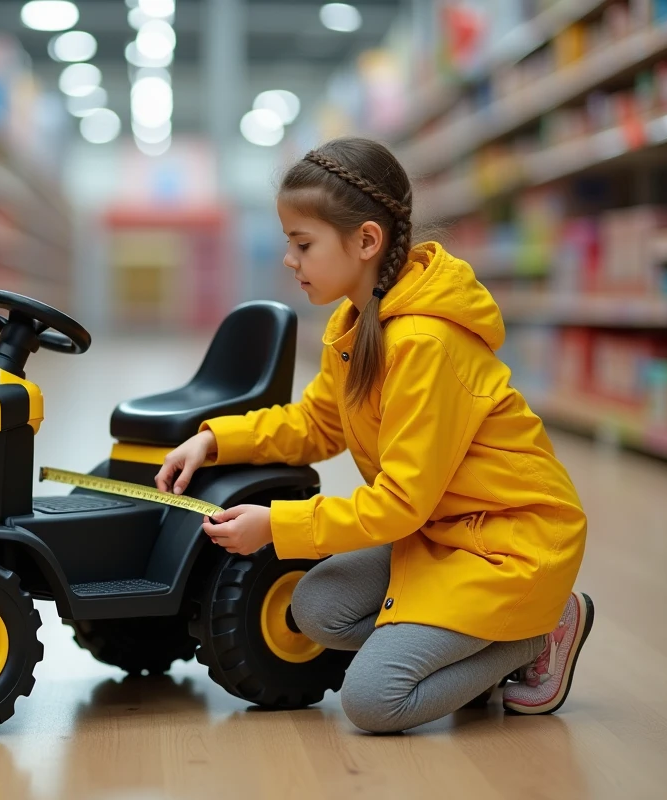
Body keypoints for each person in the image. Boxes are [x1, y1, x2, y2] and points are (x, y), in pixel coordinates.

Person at [155, 137, 593, 734]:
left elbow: (399, 503)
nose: (289, 259)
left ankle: (537, 628)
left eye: (302, 243)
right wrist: (216, 439)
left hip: (507, 545)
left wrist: (277, 526)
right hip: (439, 530)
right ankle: (470, 641)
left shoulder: (424, 344)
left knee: (373, 701)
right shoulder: (355, 322)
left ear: (365, 240)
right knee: (313, 609)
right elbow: (315, 424)